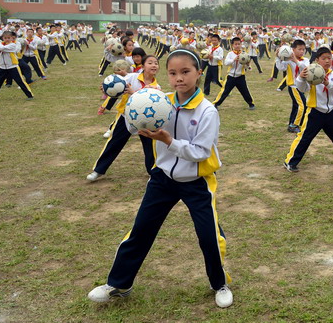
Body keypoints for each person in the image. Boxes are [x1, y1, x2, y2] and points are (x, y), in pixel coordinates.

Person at [88, 48, 233, 308]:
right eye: (173, 73)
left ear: (199, 73)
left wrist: (169, 141)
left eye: (186, 72)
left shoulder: (207, 111)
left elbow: (200, 152)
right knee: (141, 229)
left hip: (197, 182)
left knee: (209, 235)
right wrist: (133, 107)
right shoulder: (159, 101)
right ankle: (119, 283)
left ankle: (219, 283)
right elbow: (133, 128)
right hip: (162, 178)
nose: (179, 78)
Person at [86, 55, 160, 181]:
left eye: (156, 63)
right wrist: (106, 88)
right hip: (126, 117)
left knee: (150, 148)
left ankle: (153, 172)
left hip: (145, 122)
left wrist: (133, 92)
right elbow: (117, 84)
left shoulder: (157, 87)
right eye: (150, 63)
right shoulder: (132, 77)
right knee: (113, 143)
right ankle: (98, 170)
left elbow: (147, 102)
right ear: (142, 66)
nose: (154, 65)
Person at [284, 47, 333, 172]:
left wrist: (327, 84)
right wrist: (300, 78)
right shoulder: (311, 73)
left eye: (329, 58)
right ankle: (290, 161)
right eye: (324, 58)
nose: (327, 61)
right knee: (304, 138)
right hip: (315, 113)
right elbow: (302, 89)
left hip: (331, 112)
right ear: (317, 60)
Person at [0, 31, 34, 101]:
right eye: (5, 38)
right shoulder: (1, 44)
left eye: (9, 38)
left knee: (20, 81)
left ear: (12, 38)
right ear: (3, 38)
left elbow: (2, 48)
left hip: (13, 67)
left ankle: (30, 95)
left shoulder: (12, 45)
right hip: (2, 67)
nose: (7, 39)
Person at [276, 39, 309, 133]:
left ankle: (295, 122)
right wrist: (278, 58)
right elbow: (281, 68)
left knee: (296, 106)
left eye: (303, 49)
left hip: (301, 87)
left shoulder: (305, 60)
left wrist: (296, 61)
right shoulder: (288, 61)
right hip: (294, 87)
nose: (302, 51)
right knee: (302, 106)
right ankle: (293, 125)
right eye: (299, 49)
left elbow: (306, 69)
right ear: (293, 50)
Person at [213, 37, 255, 110]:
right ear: (232, 45)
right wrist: (234, 59)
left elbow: (248, 67)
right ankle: (216, 104)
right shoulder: (230, 54)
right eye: (235, 44)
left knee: (245, 91)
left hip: (240, 77)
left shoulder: (244, 54)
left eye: (239, 44)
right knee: (224, 92)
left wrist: (248, 64)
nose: (237, 45)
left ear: (241, 44)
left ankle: (251, 104)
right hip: (231, 76)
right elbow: (226, 63)